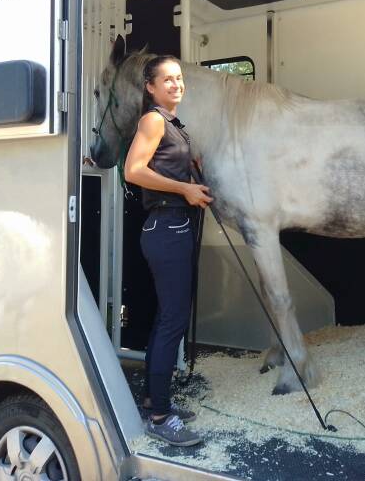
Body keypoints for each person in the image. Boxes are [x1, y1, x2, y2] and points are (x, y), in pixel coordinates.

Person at [124, 55, 213, 447]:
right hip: (167, 226)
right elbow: (133, 170)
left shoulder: (175, 124)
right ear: (151, 87)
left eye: (179, 78)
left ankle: (153, 399)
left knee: (167, 318)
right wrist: (185, 189)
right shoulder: (153, 120)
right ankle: (160, 418)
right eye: (167, 80)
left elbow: (164, 166)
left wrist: (191, 168)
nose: (176, 84)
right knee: (173, 320)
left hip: (175, 226)